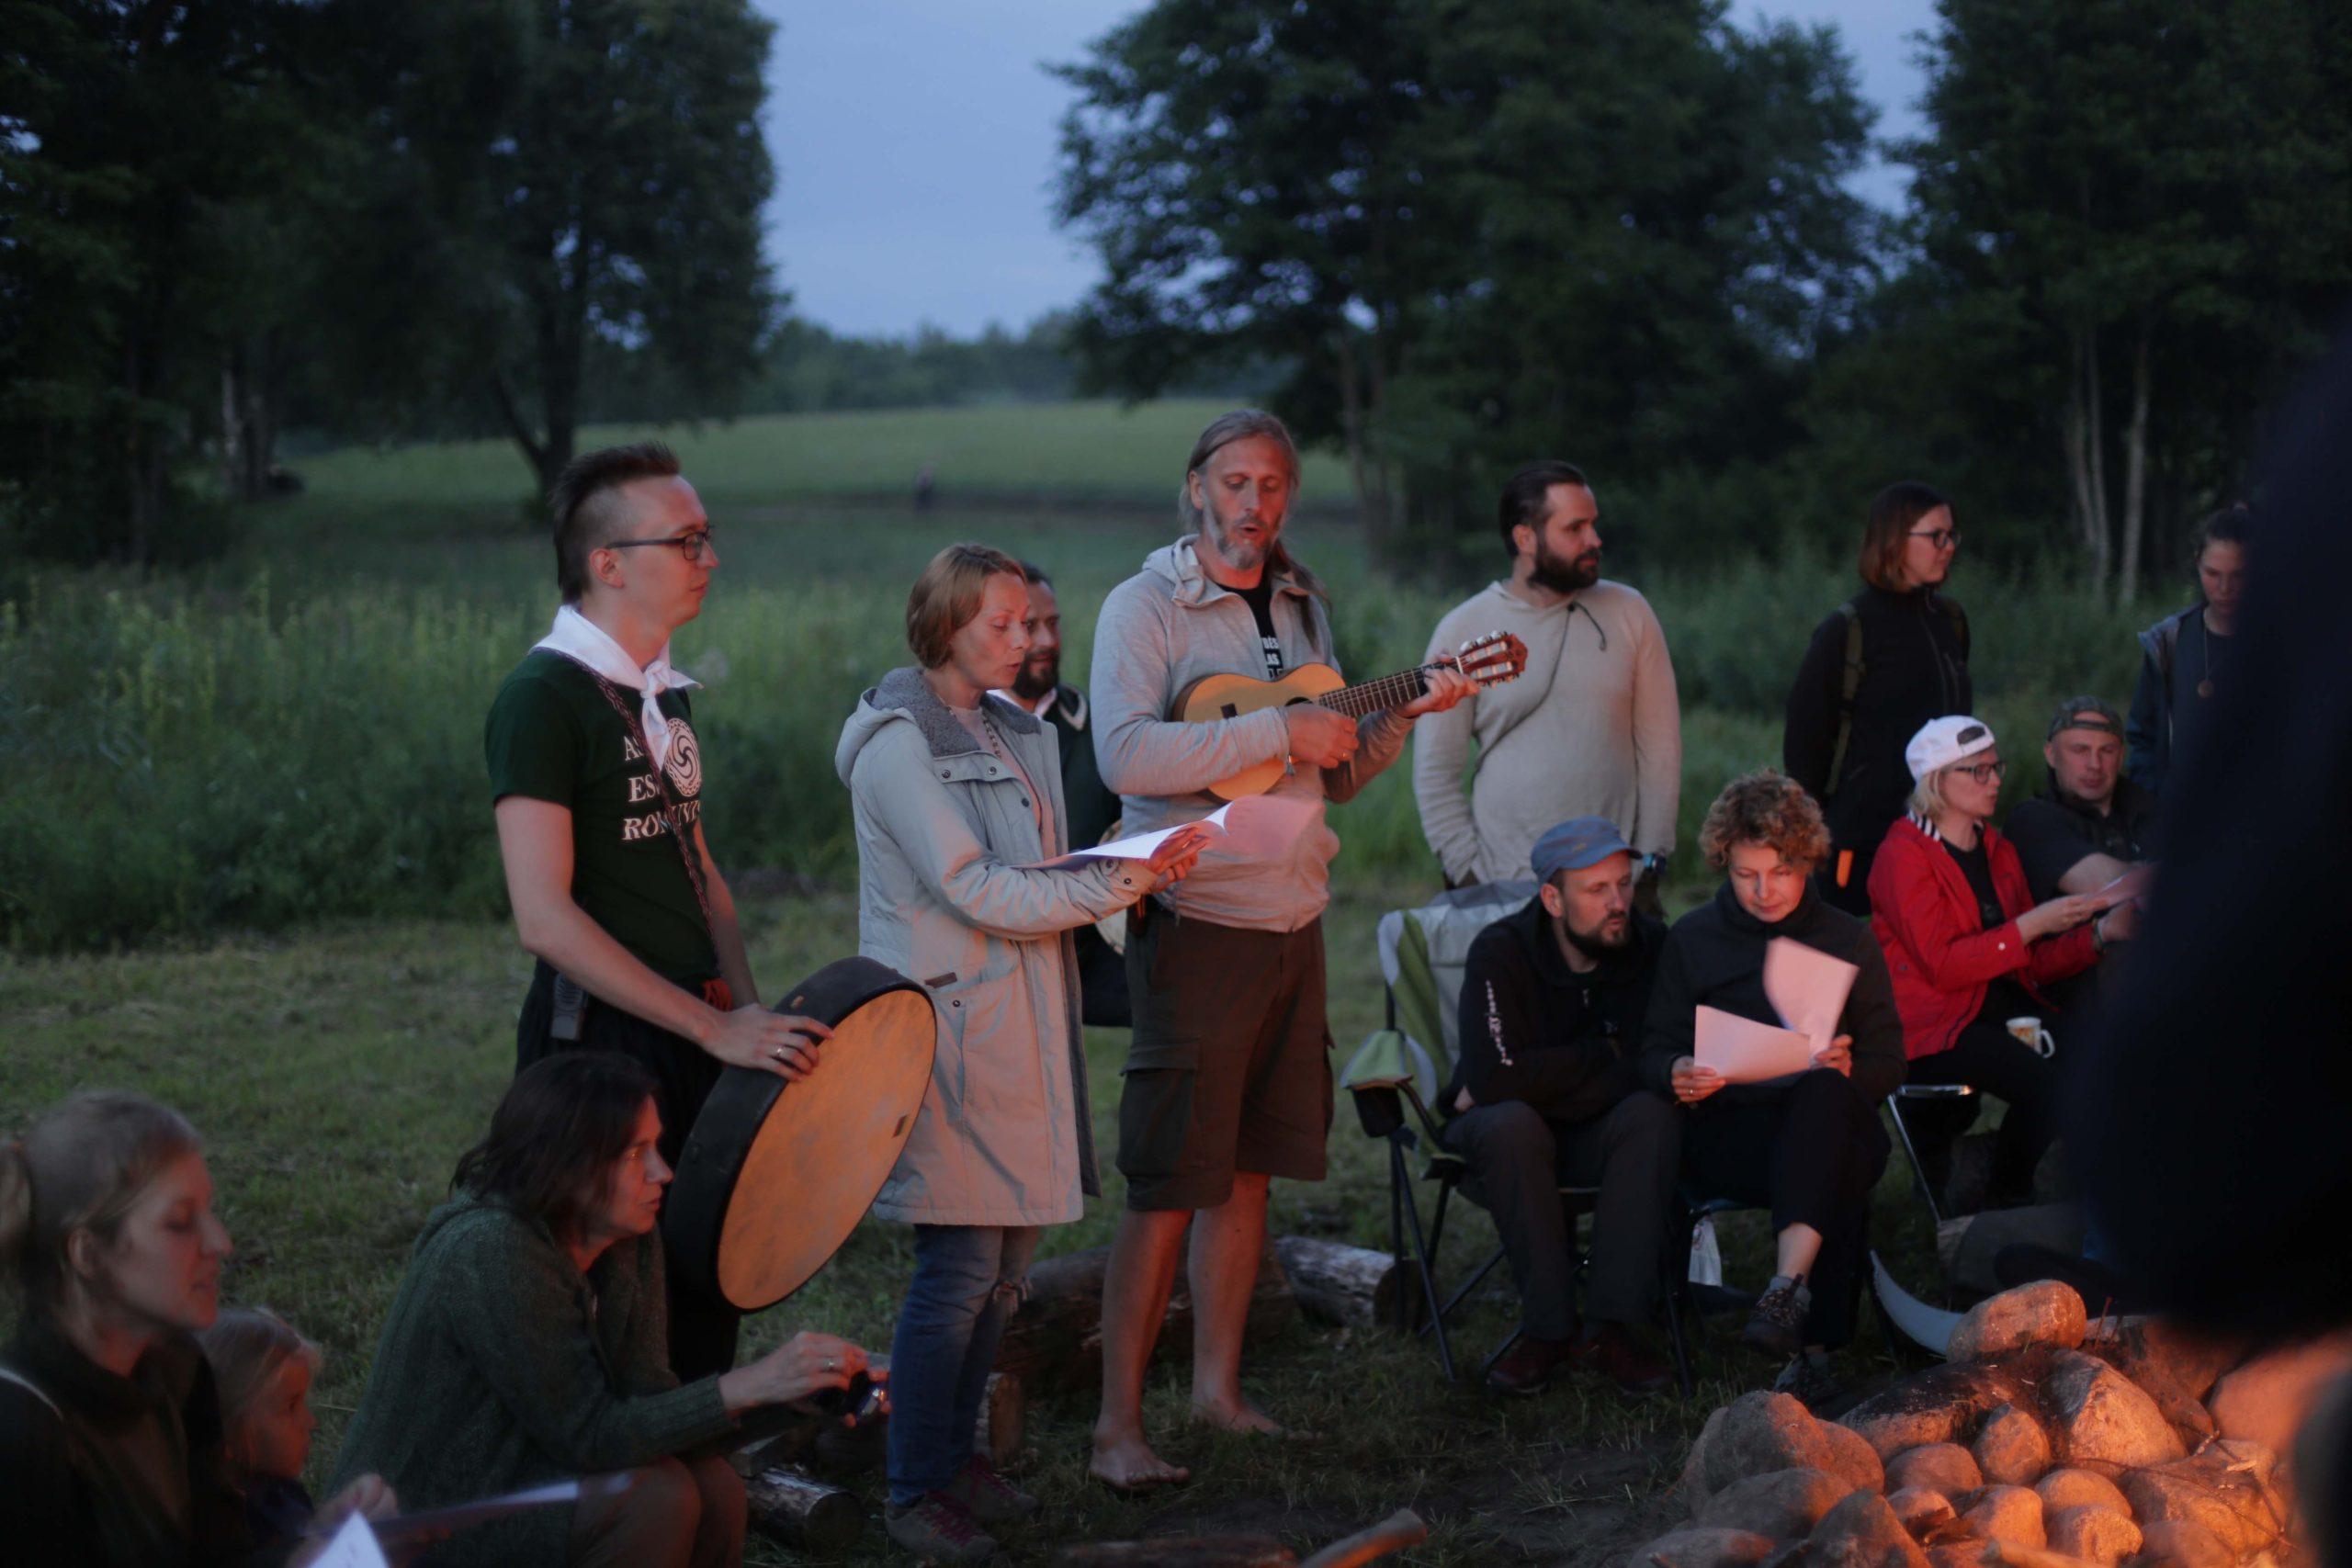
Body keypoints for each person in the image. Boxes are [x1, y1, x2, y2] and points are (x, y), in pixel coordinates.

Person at [1086, 410, 1475, 1488]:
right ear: (1196, 488)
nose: (1252, 502)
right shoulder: (1143, 606)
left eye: (1270, 484)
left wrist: (1402, 716)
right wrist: (1275, 730)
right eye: (1233, 481)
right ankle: (1116, 1429)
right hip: (1196, 922)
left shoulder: (1303, 605)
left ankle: (1216, 1396)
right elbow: (1123, 752)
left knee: (1248, 1172)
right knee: (1169, 1181)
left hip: (1293, 920)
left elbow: (1331, 771)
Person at [838, 543, 1204, 1562]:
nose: (1024, 640)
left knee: (1005, 1272)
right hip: (950, 1028)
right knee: (956, 1268)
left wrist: (1132, 859)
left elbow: (1039, 868)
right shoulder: (897, 743)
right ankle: (915, 1488)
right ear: (942, 625)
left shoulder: (1013, 728)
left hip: (1027, 1019)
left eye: (1032, 622)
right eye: (998, 624)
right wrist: (1118, 882)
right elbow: (976, 888)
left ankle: (958, 1464)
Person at [486, 440, 831, 1380]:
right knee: (616, 1304)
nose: (709, 558)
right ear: (608, 563)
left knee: (702, 1270)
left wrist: (744, 1016)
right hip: (602, 1042)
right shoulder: (541, 697)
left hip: (695, 1024)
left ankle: (700, 1454)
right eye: (685, 541)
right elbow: (543, 918)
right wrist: (711, 1028)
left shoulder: (660, 690)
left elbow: (701, 871)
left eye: (705, 537)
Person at [334, 1053, 876, 1568]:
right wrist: (751, 1383)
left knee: (715, 1486)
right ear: (567, 1165)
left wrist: (786, 1400)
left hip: (532, 1463)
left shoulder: (624, 1237)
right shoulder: (492, 1251)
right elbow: (588, 1436)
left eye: (656, 1147)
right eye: (637, 1154)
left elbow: (651, 1411)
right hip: (424, 1508)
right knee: (656, 1499)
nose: (663, 1172)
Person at [0, 1092, 395, 1567]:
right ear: (88, 1254)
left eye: (209, 1212)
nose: (220, 1242)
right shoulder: (24, 1433)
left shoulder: (178, 1367)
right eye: (181, 1222)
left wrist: (316, 1545)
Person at [1639, 771, 1905, 1402]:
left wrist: (1851, 1070)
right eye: (1745, 874)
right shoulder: (1694, 937)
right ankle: (1813, 1348)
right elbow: (1653, 1047)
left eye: (1781, 872)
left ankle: (1785, 1291)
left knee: (1826, 1102)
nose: (1764, 891)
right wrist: (1676, 1070)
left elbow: (1890, 1061)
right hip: (1731, 1136)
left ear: (1807, 862)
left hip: (1825, 1122)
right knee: (1832, 1155)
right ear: (1724, 865)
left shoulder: (1846, 937)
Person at [1442, 818, 1680, 1398]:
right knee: (1509, 1123)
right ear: (1552, 899)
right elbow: (1494, 1081)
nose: (1618, 902)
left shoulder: (1650, 946)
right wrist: (1604, 1052)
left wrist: (1540, 1073)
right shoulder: (1501, 951)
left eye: (1622, 883)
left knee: (1651, 1114)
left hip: (1601, 1136)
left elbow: (1654, 1063)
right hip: (1512, 1145)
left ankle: (1612, 1329)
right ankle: (1546, 1331)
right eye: (1597, 890)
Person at [1869, 718, 2132, 1213]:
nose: (1994, 781)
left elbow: (2028, 963)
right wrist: (2028, 926)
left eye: (1996, 767)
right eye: (1978, 770)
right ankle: (2004, 1196)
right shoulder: (1902, 856)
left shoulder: (1997, 850)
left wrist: (2100, 934)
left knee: (2098, 1060)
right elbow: (1945, 967)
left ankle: (2000, 1172)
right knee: (2051, 1090)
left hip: (1995, 1006)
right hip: (1934, 1026)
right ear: (1936, 780)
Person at [1413, 460, 1681, 904]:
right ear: (1525, 538)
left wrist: (1648, 865)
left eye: (1593, 524)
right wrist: (1470, 875)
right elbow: (1436, 770)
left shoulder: (1630, 613)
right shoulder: (1463, 629)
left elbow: (1661, 752)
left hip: (1614, 888)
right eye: (1575, 528)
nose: (1594, 540)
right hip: (1503, 885)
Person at [1783, 481, 1973, 916]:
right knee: (1852, 949)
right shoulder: (1848, 629)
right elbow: (1806, 744)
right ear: (1894, 539)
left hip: (1942, 835)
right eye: (1936, 536)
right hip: (1862, 843)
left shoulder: (1951, 621)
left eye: (1952, 536)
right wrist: (1824, 832)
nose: (1948, 548)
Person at [990, 559, 1136, 1027]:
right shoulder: (959, 732)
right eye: (1030, 626)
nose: (1048, 641)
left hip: (1090, 949)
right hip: (991, 952)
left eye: (1053, 624)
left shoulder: (1102, 726)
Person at [2128, 503, 2252, 798]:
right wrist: (2156, 803)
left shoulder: (2279, 642)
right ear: (2198, 564)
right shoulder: (2168, 643)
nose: (2224, 588)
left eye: (2237, 575)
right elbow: (2143, 736)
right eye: (2213, 573)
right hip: (2183, 809)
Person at [2003, 697, 2157, 904]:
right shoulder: (2031, 820)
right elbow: (2106, 886)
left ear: (2121, 757)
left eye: (2107, 751)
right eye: (2080, 750)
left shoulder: (2152, 811)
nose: (2095, 764)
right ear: (2051, 754)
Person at [200, 1308, 328, 1554]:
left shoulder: (283, 1492)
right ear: (227, 1430)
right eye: (290, 1407)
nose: (310, 1421)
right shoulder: (228, 1534)